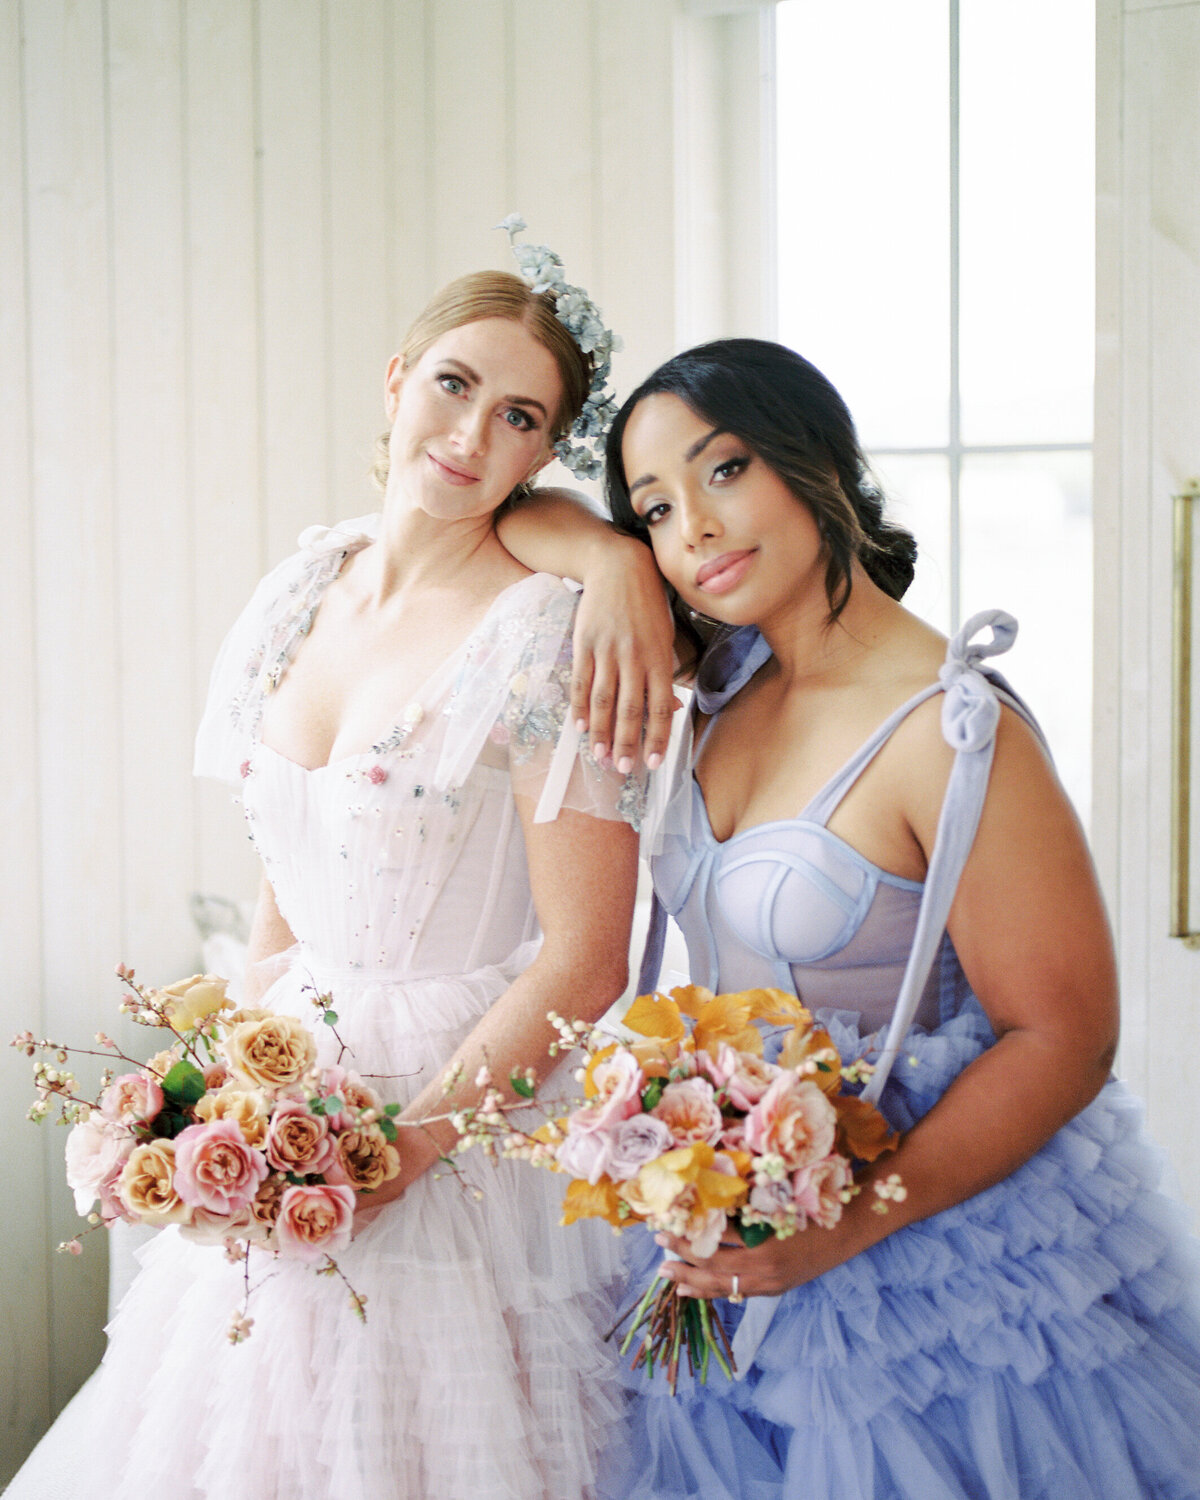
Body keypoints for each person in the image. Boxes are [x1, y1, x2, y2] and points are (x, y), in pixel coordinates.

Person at [505, 337, 1200, 1499]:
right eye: (658, 509)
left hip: (925, 1264)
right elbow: (494, 513)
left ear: (812, 459)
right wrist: (611, 564)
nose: (697, 532)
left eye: (724, 472)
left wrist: (843, 1225)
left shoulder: (952, 726)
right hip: (717, 1232)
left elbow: (1065, 1038)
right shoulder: (716, 697)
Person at [7, 246, 645, 1500]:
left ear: (544, 457)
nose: (470, 433)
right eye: (454, 385)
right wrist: (224, 1076)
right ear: (398, 378)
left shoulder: (545, 636)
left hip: (455, 1119)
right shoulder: (307, 584)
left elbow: (587, 955)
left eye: (520, 418)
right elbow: (284, 879)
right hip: (291, 1071)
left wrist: (405, 1153)